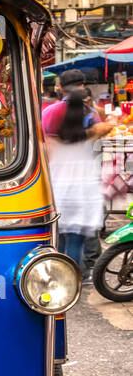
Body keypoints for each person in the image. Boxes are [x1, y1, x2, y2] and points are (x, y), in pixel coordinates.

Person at [44, 72, 114, 277]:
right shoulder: (89, 113)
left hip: (58, 184)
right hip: (83, 185)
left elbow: (44, 144)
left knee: (61, 237)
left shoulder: (50, 112)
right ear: (82, 87)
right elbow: (98, 136)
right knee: (76, 239)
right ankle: (75, 276)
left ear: (60, 88)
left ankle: (60, 273)